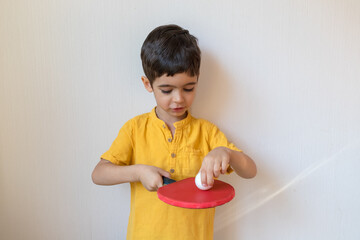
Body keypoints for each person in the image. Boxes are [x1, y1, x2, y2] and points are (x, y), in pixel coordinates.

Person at [92, 24, 257, 240]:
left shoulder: (207, 133)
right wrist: (138, 172)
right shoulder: (135, 129)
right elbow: (99, 174)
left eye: (189, 88)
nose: (179, 98)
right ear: (147, 84)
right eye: (167, 90)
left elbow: (250, 171)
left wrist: (226, 153)